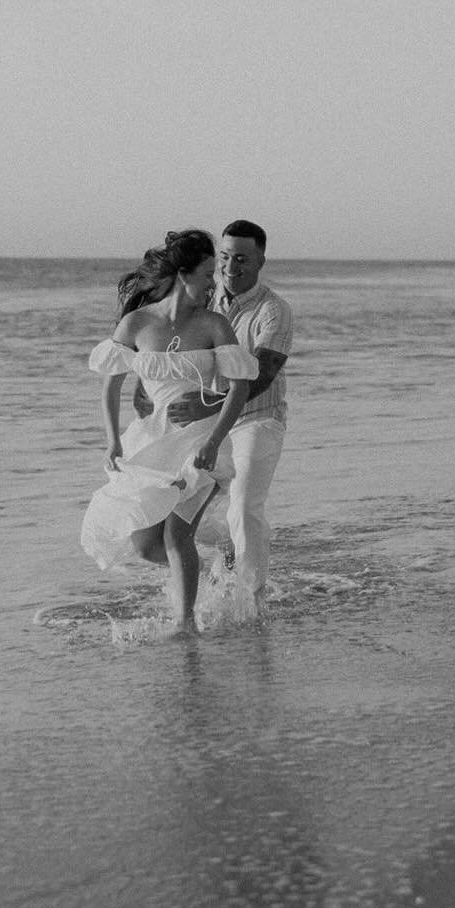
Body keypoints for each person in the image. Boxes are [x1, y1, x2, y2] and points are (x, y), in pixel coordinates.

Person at [80, 229, 258, 629]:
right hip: (153, 440)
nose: (214, 283)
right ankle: (217, 556)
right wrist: (111, 440)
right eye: (207, 274)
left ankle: (185, 625)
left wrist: (213, 440)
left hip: (201, 439)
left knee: (177, 536)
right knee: (145, 546)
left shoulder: (214, 325)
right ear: (182, 274)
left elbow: (240, 388)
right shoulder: (137, 323)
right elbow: (111, 384)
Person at [134, 218, 293, 600]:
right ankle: (218, 556)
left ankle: (250, 600)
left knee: (243, 505)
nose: (229, 268)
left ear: (260, 262)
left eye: (241, 259)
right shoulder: (203, 296)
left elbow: (262, 376)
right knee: (161, 506)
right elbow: (167, 346)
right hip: (200, 424)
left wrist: (207, 406)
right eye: (224, 257)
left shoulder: (274, 311)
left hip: (257, 418)